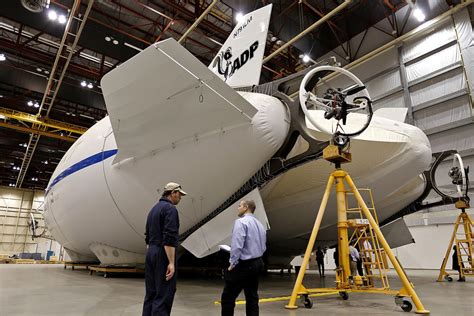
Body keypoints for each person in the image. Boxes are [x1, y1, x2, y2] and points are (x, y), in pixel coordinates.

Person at [143, 182, 187, 316]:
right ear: (173, 193)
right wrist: (171, 263)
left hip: (151, 252)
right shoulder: (170, 209)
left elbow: (147, 237)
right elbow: (169, 238)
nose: (180, 198)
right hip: (163, 253)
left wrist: (153, 254)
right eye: (179, 195)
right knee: (163, 295)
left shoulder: (153, 209)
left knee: (151, 294)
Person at [221, 199, 267, 316]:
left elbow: (237, 245)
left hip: (244, 265)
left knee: (227, 297)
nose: (238, 208)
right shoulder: (260, 224)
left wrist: (232, 263)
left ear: (246, 207)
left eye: (240, 206)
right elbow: (263, 246)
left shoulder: (241, 222)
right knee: (252, 297)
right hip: (258, 262)